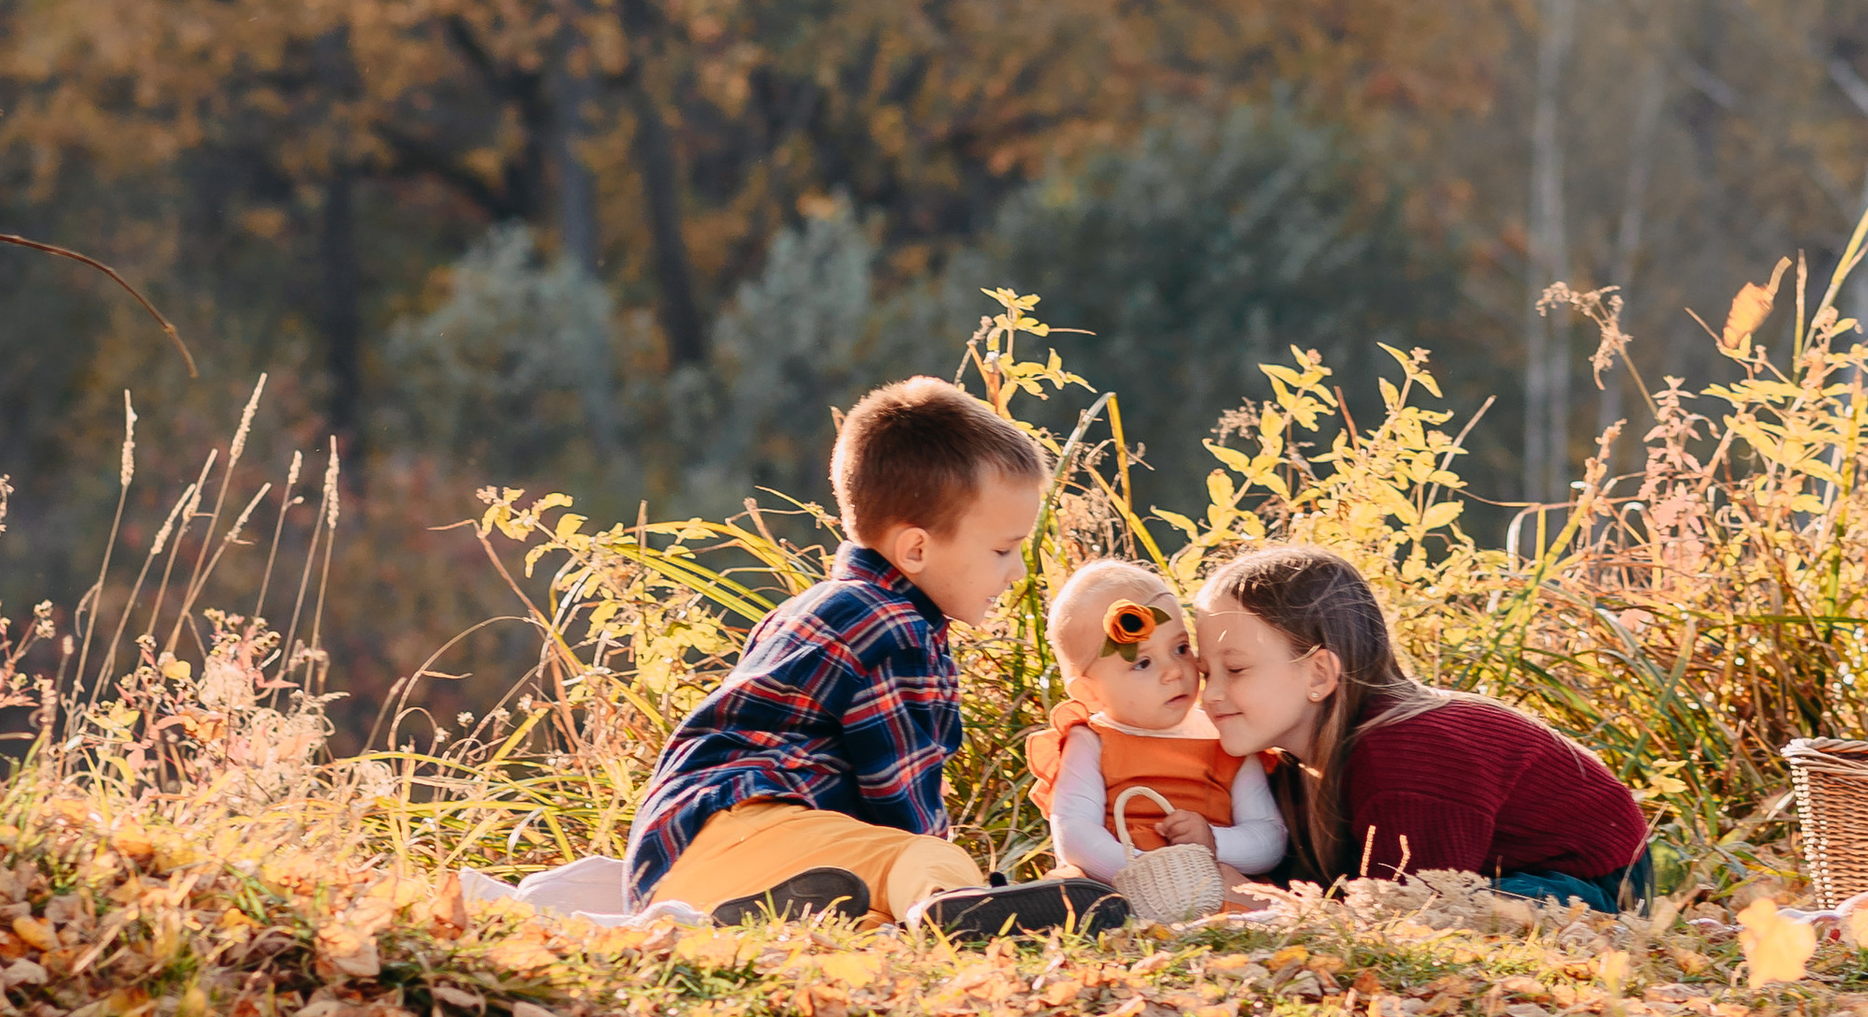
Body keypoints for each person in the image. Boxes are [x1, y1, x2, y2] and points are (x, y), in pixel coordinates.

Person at [622, 375, 1126, 939]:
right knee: (923, 859)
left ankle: (766, 920)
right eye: (1003, 550)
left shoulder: (811, 607)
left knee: (868, 899)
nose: (1017, 572)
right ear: (917, 549)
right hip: (757, 829)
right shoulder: (898, 628)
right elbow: (900, 797)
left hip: (672, 864)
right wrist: (939, 858)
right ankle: (958, 906)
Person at [1194, 541, 1651, 906]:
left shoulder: (1405, 755)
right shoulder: (1295, 765)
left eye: (1234, 670)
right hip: (1490, 875)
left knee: (1455, 915)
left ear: (1318, 674)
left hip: (1586, 880)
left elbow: (1406, 914)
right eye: (1205, 672)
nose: (1210, 694)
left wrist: (1259, 902)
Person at [1027, 562, 1285, 892]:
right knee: (1072, 893)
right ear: (1091, 693)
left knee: (1252, 900)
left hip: (1208, 881)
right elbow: (1075, 833)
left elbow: (1269, 838)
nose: (1174, 671)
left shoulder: (1225, 734)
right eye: (1143, 663)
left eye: (1180, 649)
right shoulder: (1091, 742)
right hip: (1118, 881)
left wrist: (1213, 842)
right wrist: (1143, 869)